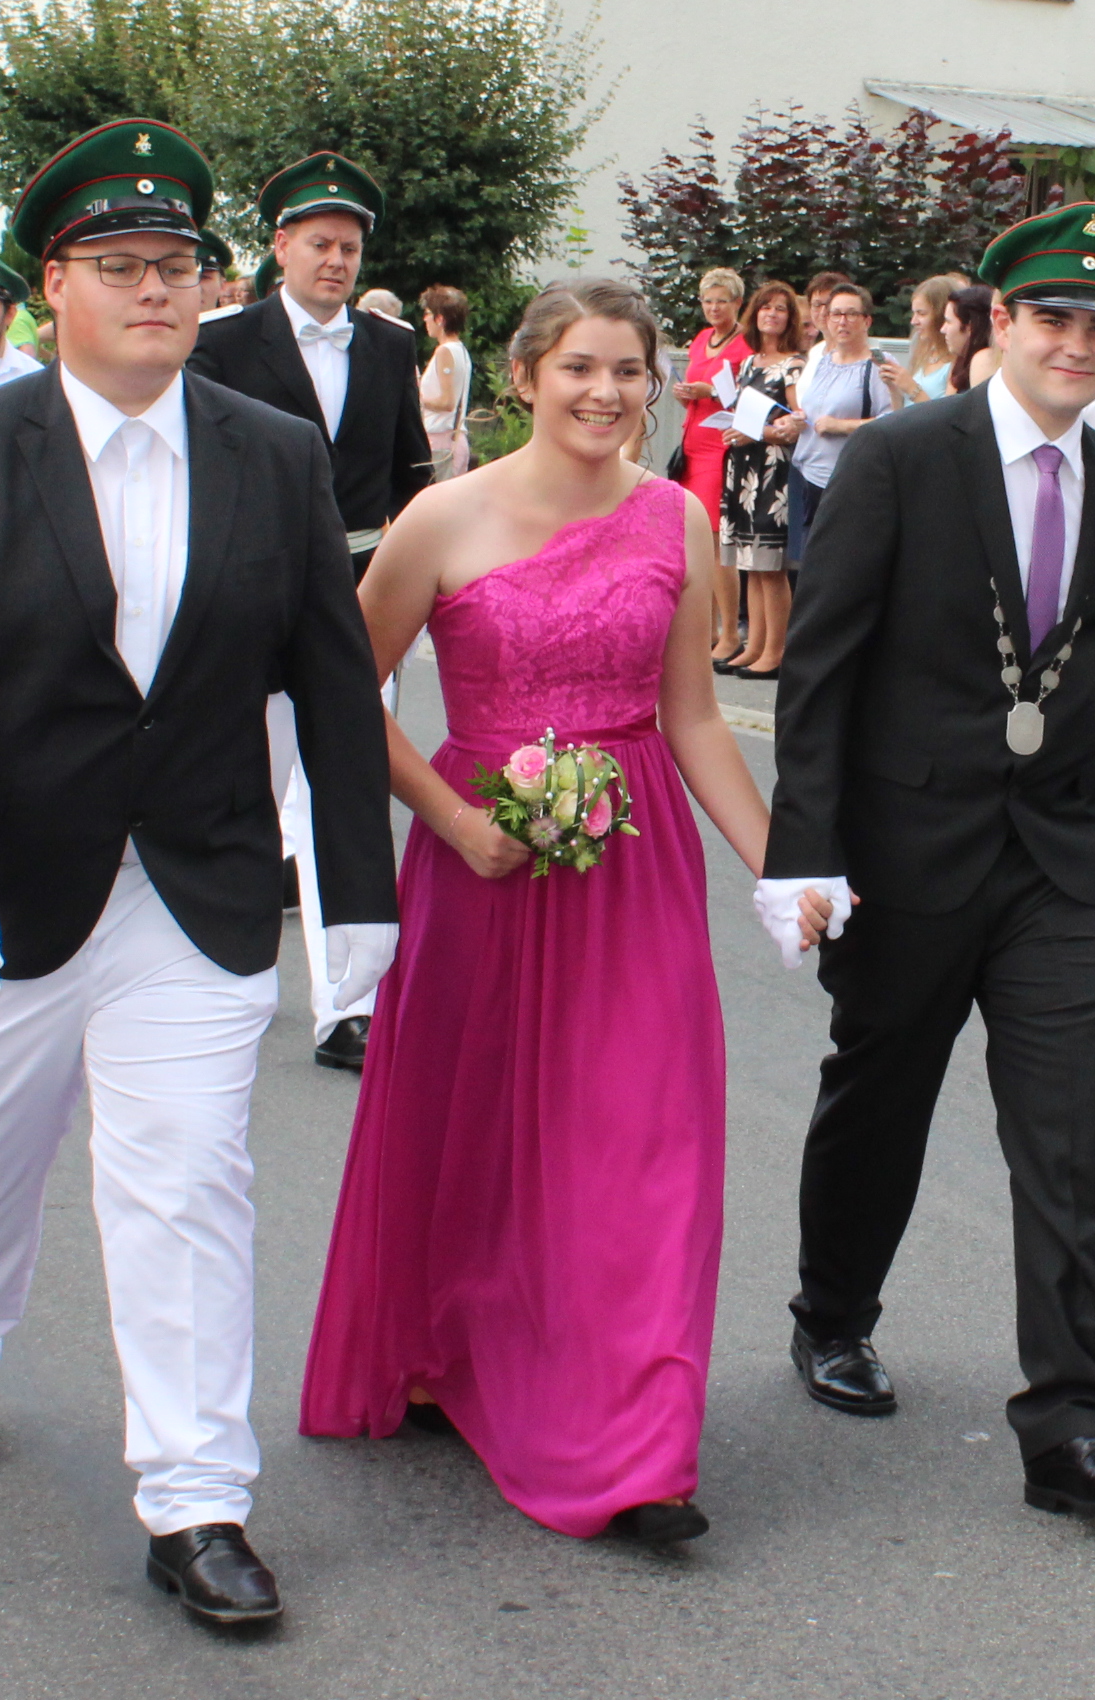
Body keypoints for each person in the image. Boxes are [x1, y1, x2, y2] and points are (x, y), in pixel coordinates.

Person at [0, 116, 397, 1631]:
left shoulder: (271, 453)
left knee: (189, 1177)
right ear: (51, 288)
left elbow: (332, 684)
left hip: (194, 890)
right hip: (3, 895)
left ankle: (197, 1498)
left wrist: (357, 898)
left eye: (177, 265)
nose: (156, 290)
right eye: (120, 265)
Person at [303, 278, 794, 1546]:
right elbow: (341, 692)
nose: (606, 393)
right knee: (477, 1123)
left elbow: (693, 718)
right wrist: (455, 822)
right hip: (480, 859)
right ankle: (447, 1348)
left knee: (640, 1139)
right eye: (580, 366)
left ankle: (638, 1448)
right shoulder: (441, 516)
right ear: (523, 377)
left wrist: (779, 866)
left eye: (629, 370)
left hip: (633, 868)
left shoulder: (679, 517)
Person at [764, 201, 1095, 1518]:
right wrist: (802, 855)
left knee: (1072, 1133)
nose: (1076, 344)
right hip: (909, 851)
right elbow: (821, 670)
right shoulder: (902, 458)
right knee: (880, 1097)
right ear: (1001, 321)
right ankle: (833, 1313)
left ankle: (1070, 1425)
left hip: (1065, 865)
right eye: (1052, 317)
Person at [185, 151, 436, 1072]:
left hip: (357, 597)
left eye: (350, 248)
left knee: (347, 790)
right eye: (321, 243)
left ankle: (347, 1006)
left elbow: (412, 479)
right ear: (281, 245)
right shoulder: (222, 342)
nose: (336, 261)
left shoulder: (389, 346)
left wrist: (424, 585)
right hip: (249, 594)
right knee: (245, 789)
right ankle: (233, 971)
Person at [717, 279, 804, 675]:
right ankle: (754, 646)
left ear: (790, 318)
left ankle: (776, 651)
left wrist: (757, 432)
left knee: (771, 565)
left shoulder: (794, 365)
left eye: (780, 308)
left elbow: (797, 423)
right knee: (751, 564)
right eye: (766, 306)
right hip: (743, 467)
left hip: (773, 468)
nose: (772, 314)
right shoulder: (750, 363)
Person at [788, 282, 889, 569]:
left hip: (846, 481)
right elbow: (813, 410)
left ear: (866, 321)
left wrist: (841, 426)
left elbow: (892, 421)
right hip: (807, 476)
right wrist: (797, 420)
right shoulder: (822, 361)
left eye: (851, 314)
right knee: (807, 567)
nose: (842, 322)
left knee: (838, 567)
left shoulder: (877, 365)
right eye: (835, 314)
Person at [676, 268, 749, 645]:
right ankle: (705, 629)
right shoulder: (701, 339)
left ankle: (730, 632)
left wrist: (713, 392)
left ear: (738, 303)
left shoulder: (745, 343)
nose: (714, 307)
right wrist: (687, 394)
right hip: (692, 441)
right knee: (695, 540)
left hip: (720, 446)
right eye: (707, 301)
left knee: (717, 541)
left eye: (722, 301)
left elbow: (749, 396)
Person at [416, 282, 474, 479]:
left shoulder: (445, 351)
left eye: (428, 313)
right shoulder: (461, 350)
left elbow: (447, 403)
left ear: (440, 319)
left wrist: (417, 398)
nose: (425, 319)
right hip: (453, 440)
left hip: (441, 444)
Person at [900, 272, 962, 399]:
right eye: (914, 313)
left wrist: (912, 389)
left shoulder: (957, 361)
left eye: (921, 314)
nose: (913, 321)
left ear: (941, 315)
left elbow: (948, 411)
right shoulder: (920, 346)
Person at [945, 281, 999, 391]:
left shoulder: (985, 360)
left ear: (969, 326)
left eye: (948, 322)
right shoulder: (961, 362)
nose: (943, 329)